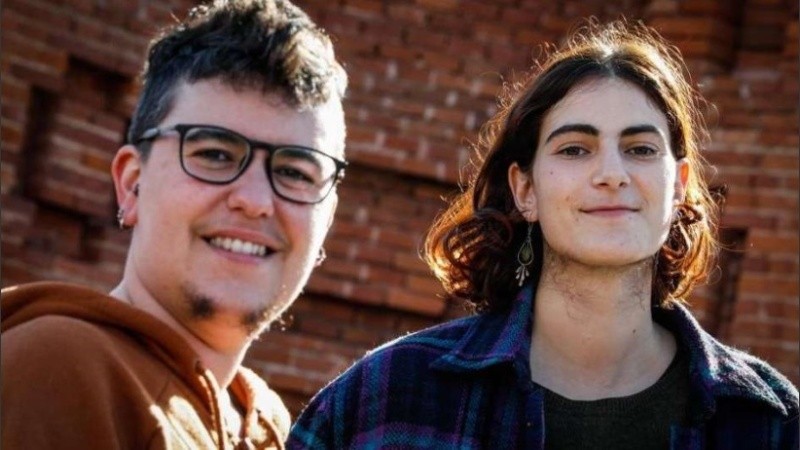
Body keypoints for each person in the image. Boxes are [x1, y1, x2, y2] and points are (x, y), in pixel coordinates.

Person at [287, 20, 798, 449]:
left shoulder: (770, 422)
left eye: (641, 149)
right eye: (575, 149)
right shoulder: (385, 396)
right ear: (525, 189)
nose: (612, 174)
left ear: (679, 186)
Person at [1, 0, 347, 448]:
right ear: (132, 184)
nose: (255, 201)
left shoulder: (269, 430)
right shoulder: (58, 368)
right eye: (215, 155)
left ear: (326, 220)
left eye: (295, 172)